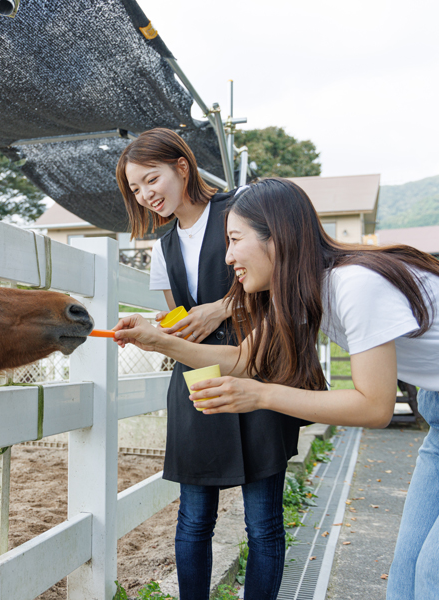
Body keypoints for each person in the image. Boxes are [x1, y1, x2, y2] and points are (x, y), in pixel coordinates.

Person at [113, 177, 439, 600]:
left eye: (235, 240)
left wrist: (261, 395)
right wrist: (159, 340)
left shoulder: (355, 284)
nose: (230, 255)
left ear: (277, 238)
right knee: (407, 571)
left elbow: (374, 406)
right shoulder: (301, 295)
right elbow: (242, 360)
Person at [116, 129, 303, 600]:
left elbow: (285, 278)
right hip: (198, 378)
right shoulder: (163, 247)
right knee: (194, 518)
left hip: (257, 364)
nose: (145, 195)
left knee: (263, 522)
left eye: (151, 179)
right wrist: (158, 326)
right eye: (135, 189)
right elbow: (181, 316)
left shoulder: (241, 211)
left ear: (182, 167)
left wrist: (221, 307)